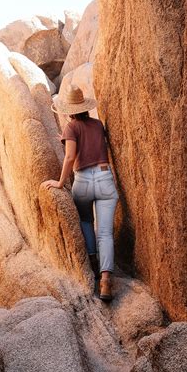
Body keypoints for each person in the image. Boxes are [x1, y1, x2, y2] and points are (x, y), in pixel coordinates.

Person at [42, 84, 119, 301]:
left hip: (83, 181)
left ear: (69, 111)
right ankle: (105, 282)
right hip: (104, 179)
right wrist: (66, 138)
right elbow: (92, 142)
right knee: (105, 233)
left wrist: (59, 182)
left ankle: (93, 261)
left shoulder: (71, 128)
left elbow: (70, 157)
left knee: (85, 222)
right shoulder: (98, 124)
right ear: (85, 107)